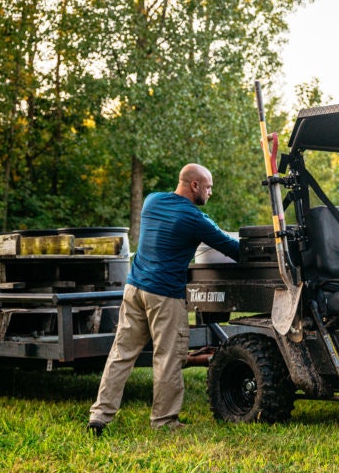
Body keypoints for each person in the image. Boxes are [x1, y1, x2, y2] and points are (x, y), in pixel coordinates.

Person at [87, 163, 240, 435]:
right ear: (194, 185)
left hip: (134, 289)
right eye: (208, 187)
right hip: (164, 295)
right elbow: (231, 247)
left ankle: (99, 417)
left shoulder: (151, 201)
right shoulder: (194, 219)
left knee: (121, 355)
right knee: (168, 358)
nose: (210, 193)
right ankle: (164, 422)